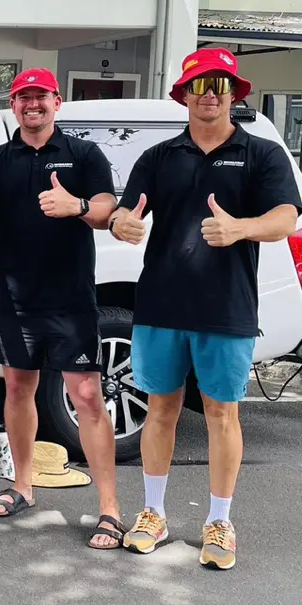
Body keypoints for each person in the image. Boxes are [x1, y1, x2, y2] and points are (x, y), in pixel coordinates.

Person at [110, 48, 302, 570]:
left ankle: (220, 520)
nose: (210, 94)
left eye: (221, 84)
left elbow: (286, 218)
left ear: (234, 93)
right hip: (160, 305)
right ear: (184, 95)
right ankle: (153, 513)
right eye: (200, 85)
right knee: (160, 410)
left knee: (221, 413)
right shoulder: (159, 156)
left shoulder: (261, 153)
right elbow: (126, 212)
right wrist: (121, 224)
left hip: (226, 307)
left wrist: (241, 228)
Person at [0, 68, 125, 549]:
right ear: (13, 105)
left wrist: (77, 206)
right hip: (15, 297)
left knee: (88, 397)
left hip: (70, 299)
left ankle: (110, 509)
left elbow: (107, 210)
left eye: (40, 97)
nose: (31, 104)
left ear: (57, 101)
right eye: (23, 97)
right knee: (17, 389)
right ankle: (23, 487)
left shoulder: (84, 154)